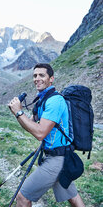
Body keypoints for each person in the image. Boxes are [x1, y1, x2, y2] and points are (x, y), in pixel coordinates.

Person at [8, 63, 85, 207]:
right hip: (58, 156)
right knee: (72, 197)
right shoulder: (43, 100)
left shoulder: (55, 101)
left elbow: (39, 133)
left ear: (51, 79)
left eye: (41, 75)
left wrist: (19, 112)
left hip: (57, 160)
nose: (37, 78)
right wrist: (18, 114)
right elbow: (30, 126)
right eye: (35, 75)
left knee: (22, 196)